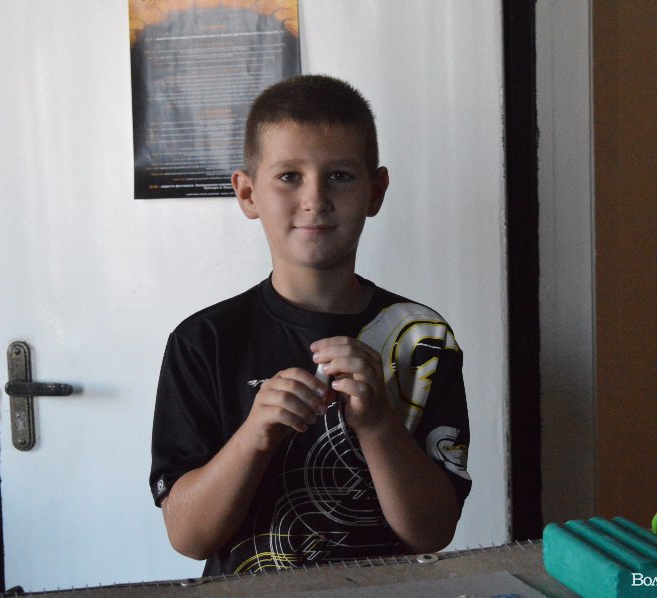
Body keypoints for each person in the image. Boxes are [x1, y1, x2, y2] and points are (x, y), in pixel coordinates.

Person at [150, 74, 471, 576]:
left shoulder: (421, 339)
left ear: (376, 191)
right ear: (247, 193)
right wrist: (254, 435)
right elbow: (188, 537)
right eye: (288, 176)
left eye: (340, 175)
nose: (315, 198)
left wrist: (377, 422)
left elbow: (432, 532)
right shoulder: (203, 342)